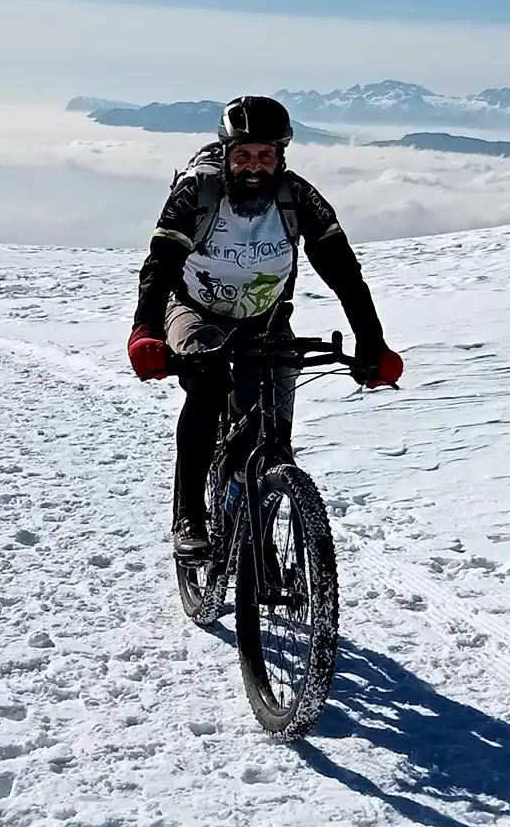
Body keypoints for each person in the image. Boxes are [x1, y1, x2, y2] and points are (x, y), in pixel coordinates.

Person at [126, 96, 403, 559]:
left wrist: (372, 344)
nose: (254, 166)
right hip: (194, 309)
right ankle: (190, 514)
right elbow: (160, 264)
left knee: (274, 427)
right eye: (243, 155)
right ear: (226, 153)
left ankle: (260, 531)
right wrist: (145, 331)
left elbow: (344, 272)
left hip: (266, 317)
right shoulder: (196, 192)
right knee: (209, 384)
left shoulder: (299, 197)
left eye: (265, 156)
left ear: (281, 157)